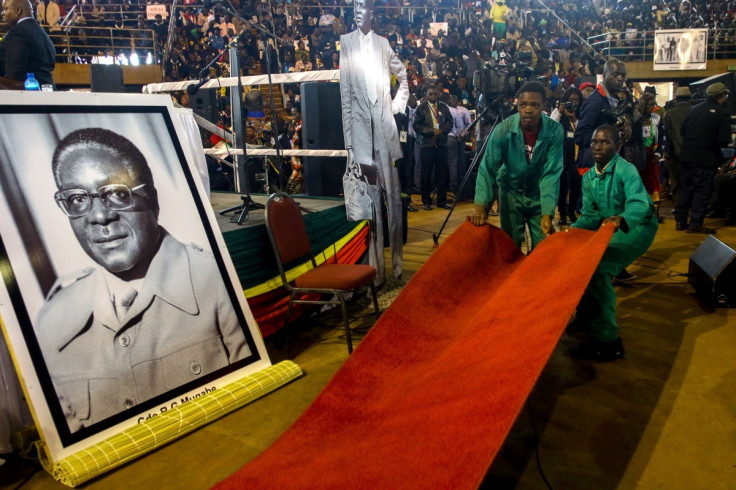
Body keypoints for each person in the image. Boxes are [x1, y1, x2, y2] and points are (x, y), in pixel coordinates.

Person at [36, 128, 250, 431]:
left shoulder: (215, 282)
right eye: (76, 199)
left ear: (153, 202)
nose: (99, 217)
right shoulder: (52, 321)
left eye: (116, 194)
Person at [569, 125, 658, 361]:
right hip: (610, 226)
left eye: (605, 142)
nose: (598, 146)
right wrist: (570, 232)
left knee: (600, 269)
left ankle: (608, 341)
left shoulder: (626, 170)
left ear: (617, 146)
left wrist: (622, 218)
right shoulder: (589, 176)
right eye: (595, 142)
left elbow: (639, 204)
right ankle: (586, 319)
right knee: (584, 263)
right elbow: (590, 215)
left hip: (637, 225)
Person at [339, 0, 408, 282]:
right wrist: (350, 144)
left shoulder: (383, 43)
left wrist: (396, 106)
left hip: (384, 129)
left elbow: (403, 76)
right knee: (371, 205)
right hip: (361, 135)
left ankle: (399, 269)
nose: (357, 11)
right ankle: (376, 272)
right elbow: (345, 94)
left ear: (372, 13)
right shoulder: (345, 42)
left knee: (393, 200)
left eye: (362, 6)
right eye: (354, 6)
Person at [469, 81, 564, 250]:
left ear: (544, 106)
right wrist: (480, 206)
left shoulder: (555, 130)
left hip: (539, 194)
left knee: (542, 248)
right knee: (510, 245)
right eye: (523, 105)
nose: (528, 109)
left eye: (535, 105)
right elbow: (487, 168)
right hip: (510, 192)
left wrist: (548, 212)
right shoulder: (502, 130)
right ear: (517, 105)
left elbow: (551, 173)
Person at [675, 82, 732, 234]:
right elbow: (724, 139)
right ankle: (695, 223)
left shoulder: (695, 110)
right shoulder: (722, 113)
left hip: (686, 156)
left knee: (686, 189)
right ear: (722, 96)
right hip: (705, 158)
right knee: (701, 190)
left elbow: (683, 131)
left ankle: (680, 221)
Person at [574, 59, 628, 174]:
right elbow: (580, 136)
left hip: (608, 164)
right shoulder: (595, 101)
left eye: (623, 75)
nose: (620, 78)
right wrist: (605, 139)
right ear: (604, 76)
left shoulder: (615, 100)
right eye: (615, 74)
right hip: (593, 167)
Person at [414, 84, 453, 211]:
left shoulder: (443, 106)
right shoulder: (421, 108)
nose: (433, 96)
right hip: (427, 144)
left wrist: (441, 131)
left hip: (441, 143)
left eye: (435, 94)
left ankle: (442, 201)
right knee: (426, 174)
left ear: (438, 94)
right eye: (430, 94)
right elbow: (417, 126)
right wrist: (431, 131)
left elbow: (450, 122)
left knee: (442, 174)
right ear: (426, 94)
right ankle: (426, 201)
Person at [0, 0, 56, 87]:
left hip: (26, 96)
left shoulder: (17, 33)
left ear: (18, 10)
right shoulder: (41, 32)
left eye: (5, 9)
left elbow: (14, 75)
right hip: (48, 90)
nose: (2, 13)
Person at [663, 86, 692, 208]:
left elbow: (668, 136)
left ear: (676, 100)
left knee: (676, 182)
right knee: (690, 182)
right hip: (692, 154)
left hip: (675, 154)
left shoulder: (669, 114)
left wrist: (668, 155)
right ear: (690, 99)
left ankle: (678, 207)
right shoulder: (695, 111)